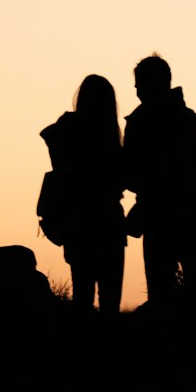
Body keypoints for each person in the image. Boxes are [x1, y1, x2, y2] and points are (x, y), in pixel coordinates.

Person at [122, 54, 196, 305]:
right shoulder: (193, 121)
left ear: (150, 84)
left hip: (160, 219)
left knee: (162, 294)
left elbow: (132, 174)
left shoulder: (140, 124)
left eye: (139, 83)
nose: (135, 89)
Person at [40, 74, 127, 315]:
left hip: (78, 223)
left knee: (82, 299)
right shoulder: (110, 136)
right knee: (110, 303)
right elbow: (123, 179)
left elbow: (51, 143)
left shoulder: (69, 130)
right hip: (108, 222)